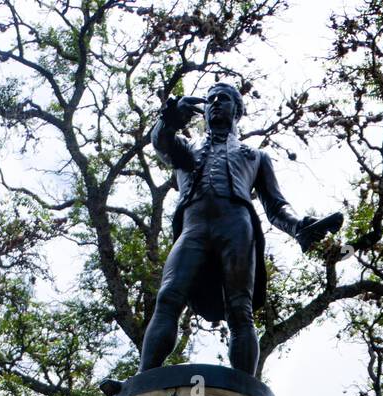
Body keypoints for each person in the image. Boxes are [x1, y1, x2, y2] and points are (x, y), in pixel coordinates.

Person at [136, 84, 342, 378]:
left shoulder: (255, 156)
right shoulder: (187, 149)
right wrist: (168, 120)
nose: (215, 103)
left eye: (224, 99)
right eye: (210, 100)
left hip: (236, 226)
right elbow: (161, 143)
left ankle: (248, 387)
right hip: (193, 227)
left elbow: (275, 205)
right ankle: (142, 380)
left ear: (238, 109)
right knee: (169, 296)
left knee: (240, 309)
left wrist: (298, 227)